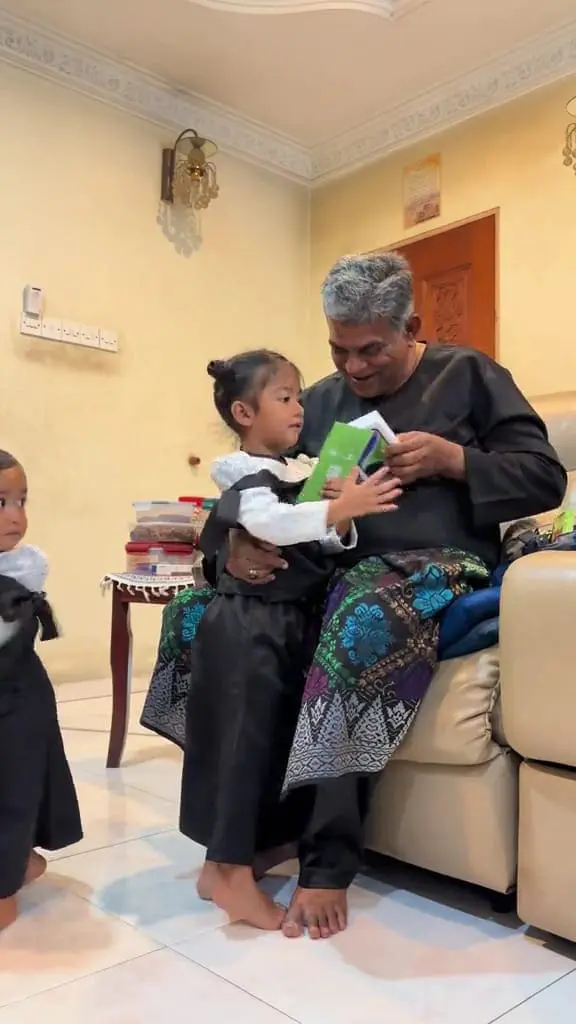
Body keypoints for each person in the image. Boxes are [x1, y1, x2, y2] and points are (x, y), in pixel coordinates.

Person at [144, 251, 566, 939]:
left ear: (411, 327)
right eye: (339, 351)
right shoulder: (323, 399)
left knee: (360, 614)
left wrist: (453, 461)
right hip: (325, 559)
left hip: (430, 562)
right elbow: (262, 486)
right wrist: (231, 548)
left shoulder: (470, 375)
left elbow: (543, 478)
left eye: (371, 350)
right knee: (206, 612)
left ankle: (328, 861)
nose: (354, 368)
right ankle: (236, 845)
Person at [179, 350, 402, 930]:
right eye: (285, 398)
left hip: (284, 622)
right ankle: (228, 872)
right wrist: (337, 507)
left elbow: (319, 542)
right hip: (248, 622)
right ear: (244, 412)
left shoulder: (295, 468)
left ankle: (224, 865)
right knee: (243, 746)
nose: (299, 408)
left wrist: (343, 516)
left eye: (300, 396)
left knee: (270, 740)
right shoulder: (243, 472)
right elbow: (270, 526)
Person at [0, 450, 83, 929]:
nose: (17, 517)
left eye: (21, 501)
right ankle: (21, 861)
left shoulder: (15, 574)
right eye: (2, 502)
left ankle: (5, 888)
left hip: (14, 710)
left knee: (11, 794)